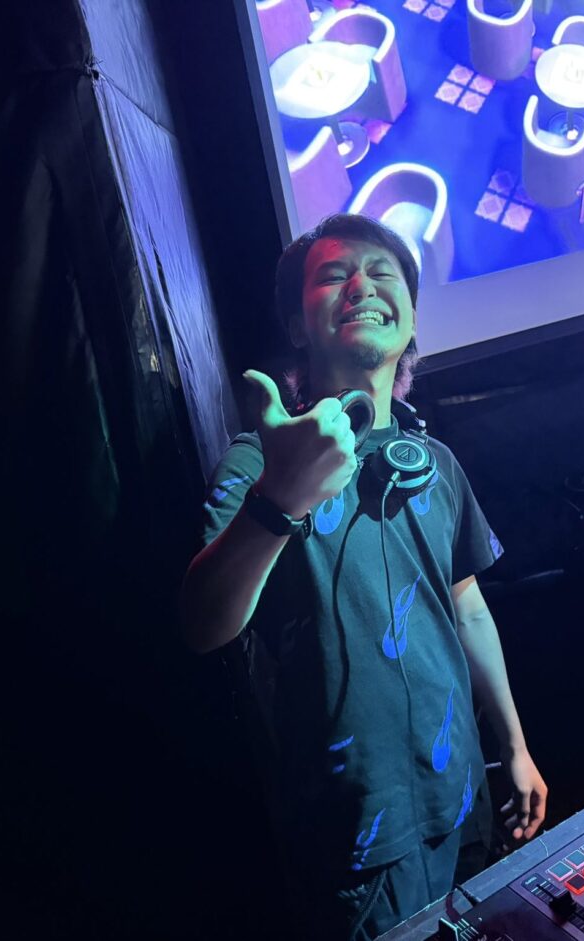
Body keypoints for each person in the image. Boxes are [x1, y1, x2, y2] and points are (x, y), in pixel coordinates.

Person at [181, 213, 546, 939]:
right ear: (297, 324)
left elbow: (468, 609)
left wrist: (515, 746)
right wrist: (279, 499)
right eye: (334, 275)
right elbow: (201, 624)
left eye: (383, 274)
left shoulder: (436, 464)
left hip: (464, 801)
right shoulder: (258, 464)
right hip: (353, 836)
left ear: (409, 322)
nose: (362, 286)